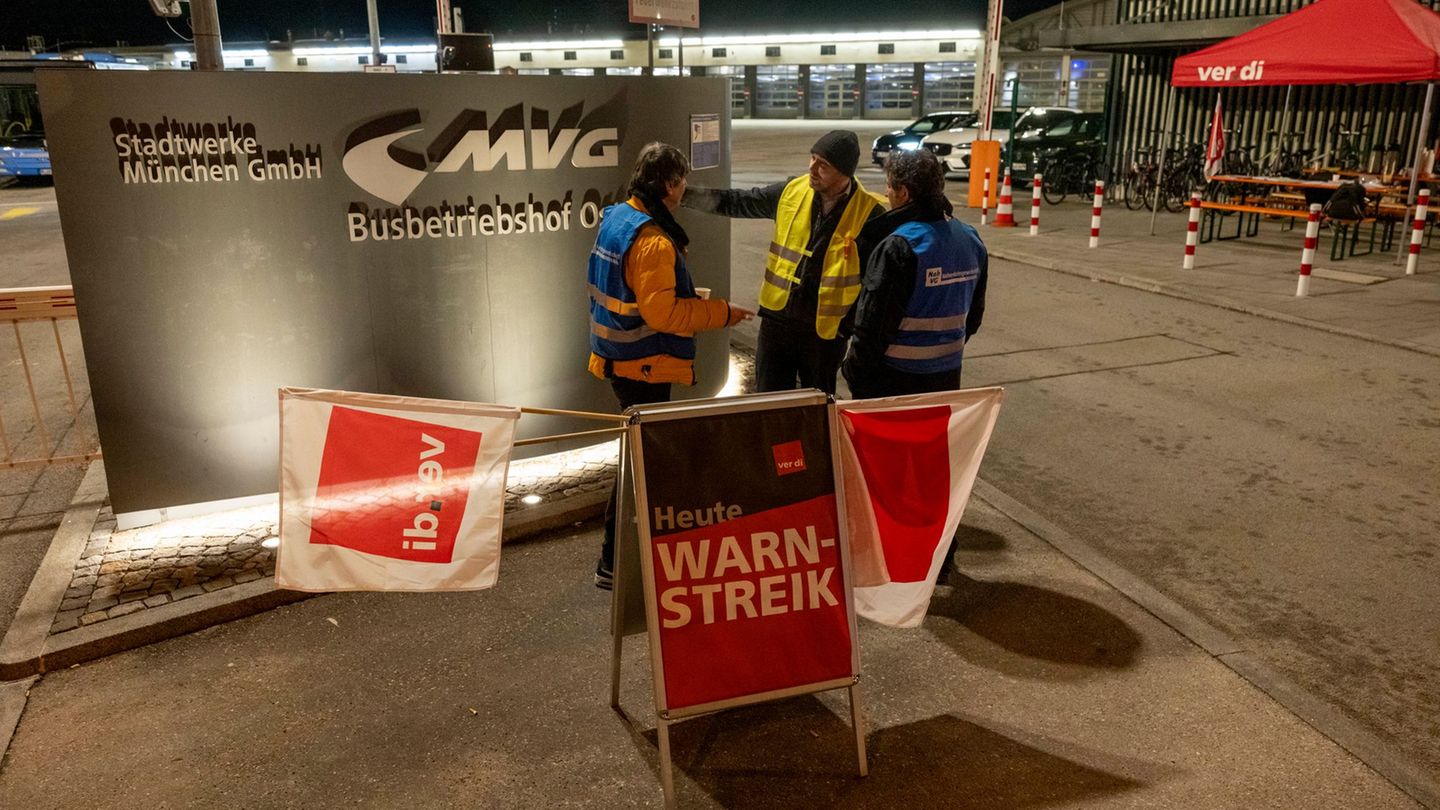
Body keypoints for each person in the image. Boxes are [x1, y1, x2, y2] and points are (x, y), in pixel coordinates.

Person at [587, 142, 754, 589]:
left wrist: (682, 298)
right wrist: (720, 313)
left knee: (641, 461)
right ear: (668, 185)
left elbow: (641, 294)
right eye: (681, 182)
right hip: (645, 364)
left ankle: (625, 558)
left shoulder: (619, 217)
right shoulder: (654, 240)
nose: (684, 190)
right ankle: (615, 562)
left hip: (619, 356)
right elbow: (662, 315)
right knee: (641, 467)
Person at [841, 148, 987, 587]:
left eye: (888, 188)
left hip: (891, 382)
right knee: (930, 478)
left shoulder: (900, 246)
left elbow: (871, 328)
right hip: (944, 381)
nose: (885, 196)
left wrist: (855, 377)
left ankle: (889, 564)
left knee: (882, 478)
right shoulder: (970, 239)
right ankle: (938, 561)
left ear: (903, 192)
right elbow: (973, 319)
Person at [683, 130, 885, 394]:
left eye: (823, 165)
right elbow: (739, 201)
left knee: (816, 408)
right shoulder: (791, 192)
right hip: (777, 324)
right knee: (770, 404)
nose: (812, 168)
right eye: (812, 158)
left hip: (824, 335)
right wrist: (684, 195)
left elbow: (874, 285)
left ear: (844, 172)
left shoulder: (869, 214)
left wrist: (846, 328)